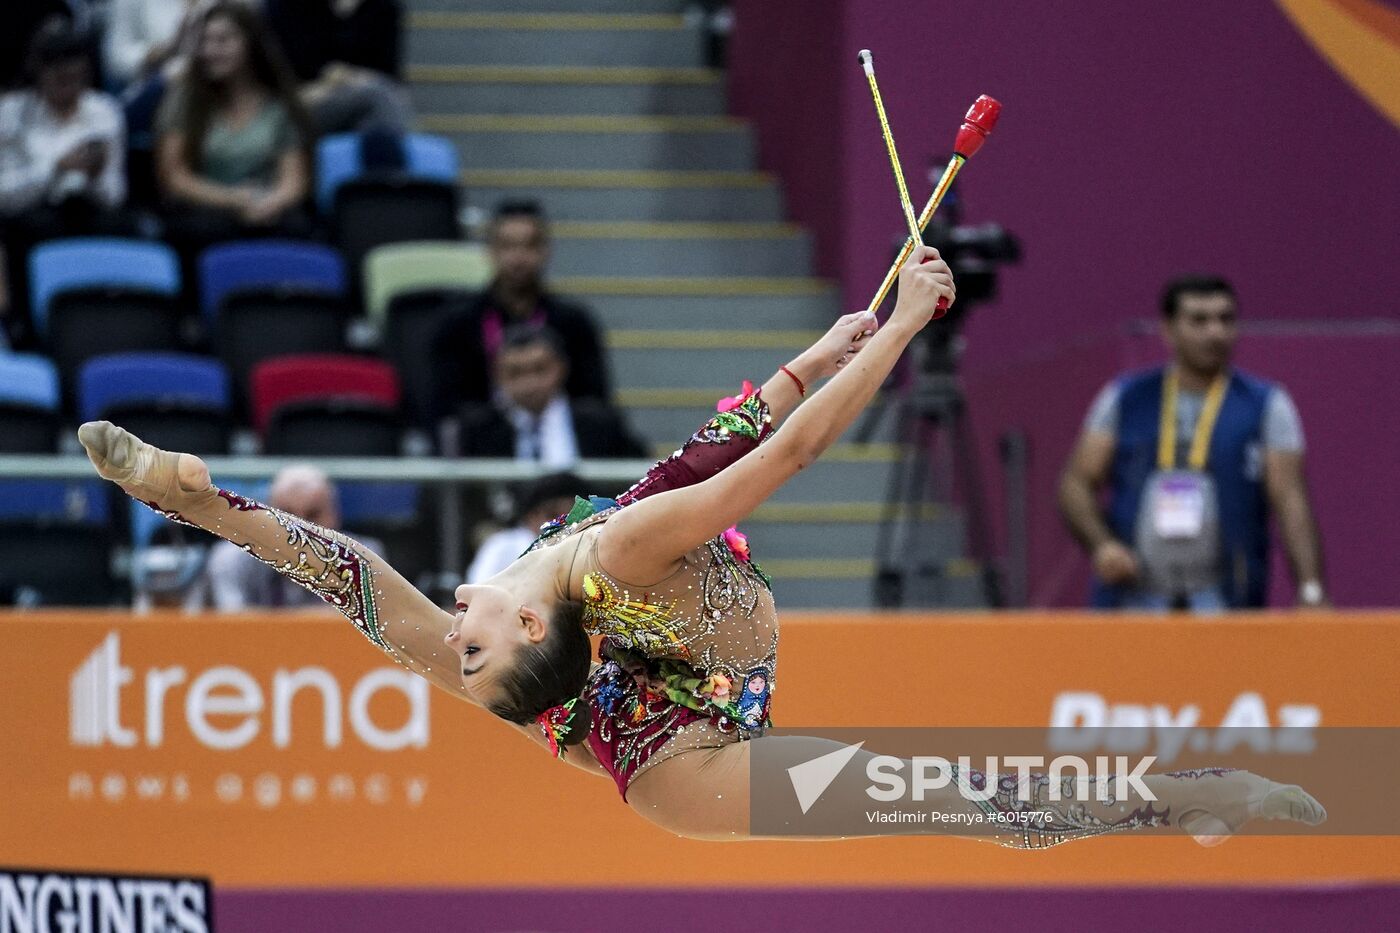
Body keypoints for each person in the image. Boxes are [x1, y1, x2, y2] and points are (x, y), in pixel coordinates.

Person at [79, 246, 1324, 845]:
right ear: (523, 627)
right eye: (468, 649)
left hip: (663, 649)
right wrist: (895, 332)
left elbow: (343, 576)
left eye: (452, 653)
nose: (445, 644)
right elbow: (766, 464)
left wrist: (199, 502)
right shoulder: (596, 576)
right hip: (686, 755)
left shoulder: (551, 600)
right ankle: (1189, 800)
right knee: (974, 805)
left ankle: (1192, 800)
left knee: (604, 537)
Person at [1058, 275, 1327, 611]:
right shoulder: (1125, 398)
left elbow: (1291, 500)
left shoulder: (1267, 405)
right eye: (1199, 320)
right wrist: (1102, 546)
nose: (1215, 333)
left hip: (1225, 600)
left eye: (1225, 319)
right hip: (1133, 599)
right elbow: (1076, 483)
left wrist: (1311, 588)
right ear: (1168, 330)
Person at [0, 19, 127, 345]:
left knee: (121, 226)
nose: (66, 85)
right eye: (57, 77)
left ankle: (108, 323)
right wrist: (55, 168)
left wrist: (95, 177)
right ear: (39, 74)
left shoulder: (105, 112)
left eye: (74, 77)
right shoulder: (11, 114)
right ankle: (26, 328)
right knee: (22, 230)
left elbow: (115, 194)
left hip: (89, 211)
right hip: (27, 217)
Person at [430, 201, 611, 423]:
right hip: (483, 448)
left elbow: (596, 404)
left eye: (529, 246)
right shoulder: (457, 324)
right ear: (490, 251)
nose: (518, 257)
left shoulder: (574, 323)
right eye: (507, 246)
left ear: (545, 251)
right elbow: (443, 407)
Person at [154, 0, 313, 252]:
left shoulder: (279, 105)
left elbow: (293, 182)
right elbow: (174, 177)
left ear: (250, 43)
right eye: (205, 41)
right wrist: (235, 200)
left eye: (223, 40)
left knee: (298, 230)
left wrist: (268, 204)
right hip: (207, 208)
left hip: (266, 207)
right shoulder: (185, 98)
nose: (210, 51)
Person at [457, 325, 647, 466]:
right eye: (515, 373)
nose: (529, 383)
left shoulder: (601, 424)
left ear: (561, 368)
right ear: (498, 376)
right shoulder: (478, 430)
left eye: (539, 370)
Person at [202, 465, 384, 611]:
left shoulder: (362, 560)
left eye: (312, 515)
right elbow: (235, 631)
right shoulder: (231, 559)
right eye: (287, 514)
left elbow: (353, 635)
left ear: (335, 516)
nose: (300, 529)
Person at [467, 471, 583, 585]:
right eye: (553, 514)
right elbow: (478, 589)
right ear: (531, 516)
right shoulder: (502, 546)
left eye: (572, 515)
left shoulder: (589, 546)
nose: (564, 523)